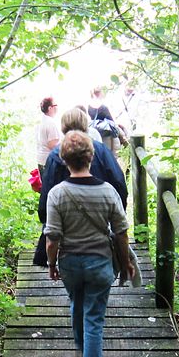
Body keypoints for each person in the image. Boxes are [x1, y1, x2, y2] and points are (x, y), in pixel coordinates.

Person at [44, 131, 135, 357]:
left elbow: (52, 238)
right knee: (94, 317)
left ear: (63, 159)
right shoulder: (107, 192)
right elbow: (121, 232)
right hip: (100, 263)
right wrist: (126, 260)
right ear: (92, 157)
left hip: (70, 263)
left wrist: (52, 264)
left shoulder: (57, 194)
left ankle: (83, 349)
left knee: (77, 302)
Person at [32, 107, 127, 267]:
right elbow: (119, 184)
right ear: (85, 125)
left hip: (67, 235)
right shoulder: (102, 150)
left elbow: (47, 196)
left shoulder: (56, 155)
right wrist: (117, 212)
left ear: (63, 128)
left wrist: (47, 220)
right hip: (100, 229)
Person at [87, 87, 126, 154]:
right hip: (108, 134)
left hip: (97, 133)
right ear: (100, 93)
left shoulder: (89, 107)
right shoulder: (103, 107)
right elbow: (111, 121)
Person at [35, 97, 61, 176]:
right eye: (55, 105)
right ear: (50, 108)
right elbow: (52, 145)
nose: (57, 107)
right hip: (49, 161)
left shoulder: (40, 121)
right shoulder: (51, 123)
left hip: (41, 160)